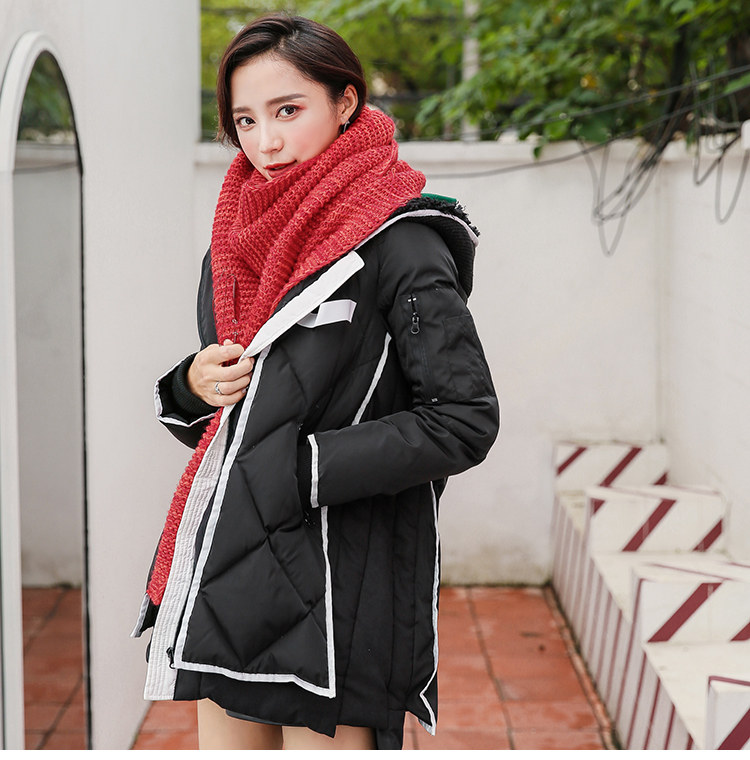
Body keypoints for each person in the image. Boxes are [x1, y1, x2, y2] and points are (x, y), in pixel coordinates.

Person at [132, 13, 499, 751]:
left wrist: (302, 470)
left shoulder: (402, 241)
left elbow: (463, 418)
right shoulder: (234, 245)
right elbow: (243, 421)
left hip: (342, 588)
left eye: (287, 110)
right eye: (245, 119)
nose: (265, 142)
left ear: (346, 102)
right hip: (230, 578)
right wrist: (190, 389)